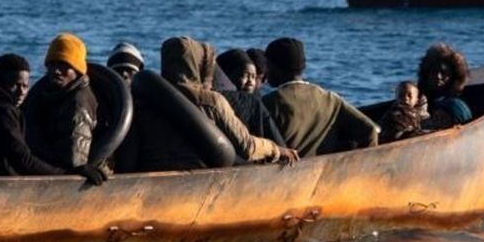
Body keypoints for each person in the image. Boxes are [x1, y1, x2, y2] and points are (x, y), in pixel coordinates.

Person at [130, 37, 294, 171]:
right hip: (197, 179)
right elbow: (247, 147)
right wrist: (276, 149)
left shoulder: (143, 99)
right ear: (200, 65)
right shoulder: (212, 102)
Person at [260, 37, 378, 157]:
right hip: (323, 171)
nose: (266, 71)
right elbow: (370, 130)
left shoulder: (269, 103)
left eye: (268, 65)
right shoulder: (331, 99)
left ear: (278, 68)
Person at [0, 54, 66, 178]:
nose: (21, 92)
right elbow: (22, 160)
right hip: (0, 182)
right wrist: (63, 173)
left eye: (25, 86)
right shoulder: (3, 112)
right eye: (15, 85)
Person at [24, 33, 103, 182]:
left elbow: (75, 158)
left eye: (64, 65)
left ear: (77, 70)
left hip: (72, 172)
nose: (57, 70)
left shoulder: (79, 102)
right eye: (52, 65)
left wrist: (71, 170)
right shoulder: (45, 95)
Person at [216, 48, 286, 146]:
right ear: (226, 75)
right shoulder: (253, 103)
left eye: (253, 77)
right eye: (244, 76)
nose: (250, 82)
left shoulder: (254, 102)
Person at [418, 43, 472, 131]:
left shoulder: (455, 106)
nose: (438, 76)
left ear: (453, 76)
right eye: (434, 72)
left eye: (444, 73)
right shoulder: (418, 100)